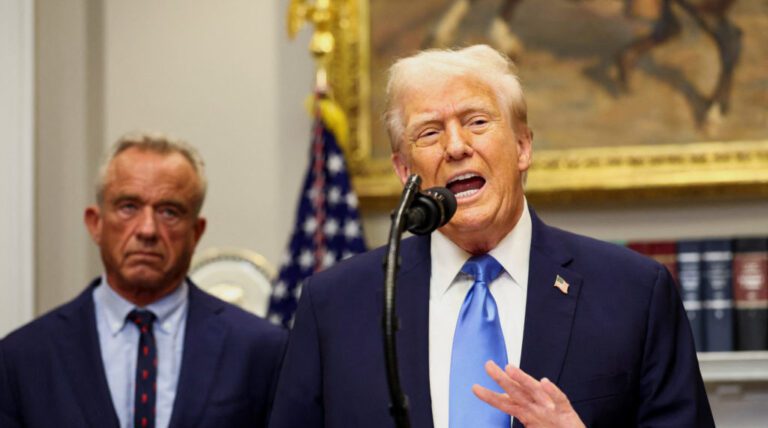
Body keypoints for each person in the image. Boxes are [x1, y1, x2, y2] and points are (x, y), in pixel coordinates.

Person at [268, 45, 714, 427]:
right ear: (405, 171)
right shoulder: (335, 306)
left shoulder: (634, 293)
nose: (457, 146)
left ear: (522, 147)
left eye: (477, 122)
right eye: (429, 132)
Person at [0, 133, 287, 428]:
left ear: (196, 232)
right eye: (128, 207)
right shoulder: (23, 357)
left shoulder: (261, 350)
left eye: (169, 212)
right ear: (95, 223)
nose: (148, 230)